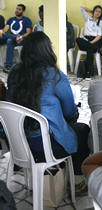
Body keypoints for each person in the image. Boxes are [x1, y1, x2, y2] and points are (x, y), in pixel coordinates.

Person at [7, 31, 89, 175]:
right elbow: (69, 111)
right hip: (45, 145)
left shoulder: (14, 72)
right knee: (82, 129)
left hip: (18, 141)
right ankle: (75, 179)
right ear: (47, 51)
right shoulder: (54, 75)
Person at [0, 4, 32, 73]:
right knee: (7, 37)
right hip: (12, 38)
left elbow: (28, 32)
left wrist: (21, 36)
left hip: (22, 39)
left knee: (9, 40)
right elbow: (5, 29)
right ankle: (15, 37)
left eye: (19, 9)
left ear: (23, 11)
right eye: (16, 9)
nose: (17, 10)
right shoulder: (11, 19)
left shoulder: (27, 20)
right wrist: (1, 31)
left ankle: (8, 66)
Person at [76, 5, 102, 77]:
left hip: (95, 40)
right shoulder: (88, 19)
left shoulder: (101, 22)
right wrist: (91, 11)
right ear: (93, 11)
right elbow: (81, 8)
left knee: (90, 48)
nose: (97, 13)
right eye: (96, 11)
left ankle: (89, 72)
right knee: (78, 39)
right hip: (86, 41)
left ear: (101, 14)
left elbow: (99, 36)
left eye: (99, 12)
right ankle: (99, 50)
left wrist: (91, 42)